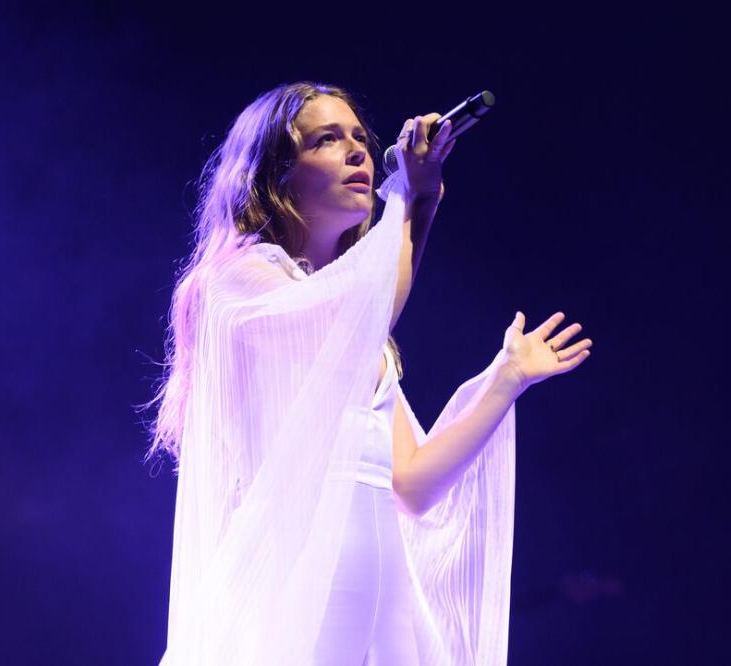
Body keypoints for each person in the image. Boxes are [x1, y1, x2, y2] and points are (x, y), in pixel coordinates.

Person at [144, 81, 592, 665]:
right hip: (297, 605)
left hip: (385, 620)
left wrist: (505, 379)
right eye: (326, 141)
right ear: (273, 173)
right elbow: (358, 311)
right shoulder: (240, 281)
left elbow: (411, 483)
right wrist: (411, 200)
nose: (356, 152)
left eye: (360, 137)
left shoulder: (355, 327)